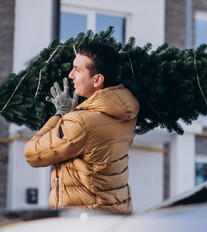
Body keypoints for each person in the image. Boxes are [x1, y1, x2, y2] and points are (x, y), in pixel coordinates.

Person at [24, 42, 140, 214]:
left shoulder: (80, 124)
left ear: (97, 80)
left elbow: (32, 153)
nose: (71, 75)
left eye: (77, 70)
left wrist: (61, 114)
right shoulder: (128, 112)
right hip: (115, 214)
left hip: (82, 222)